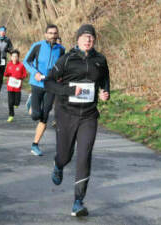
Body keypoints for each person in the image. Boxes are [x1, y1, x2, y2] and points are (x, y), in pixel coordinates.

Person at [45, 24, 110, 217]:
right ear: (78, 39)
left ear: (94, 40)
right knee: (65, 155)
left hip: (89, 115)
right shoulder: (66, 59)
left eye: (91, 37)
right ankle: (58, 164)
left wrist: (106, 93)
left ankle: (78, 201)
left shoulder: (100, 60)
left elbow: (105, 79)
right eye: (84, 37)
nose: (88, 40)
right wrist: (68, 91)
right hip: (66, 113)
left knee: (84, 156)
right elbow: (48, 82)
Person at [23, 24, 65, 156]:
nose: (53, 35)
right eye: (50, 33)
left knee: (45, 115)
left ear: (57, 35)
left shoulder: (62, 50)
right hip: (37, 83)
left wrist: (61, 79)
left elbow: (63, 67)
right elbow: (26, 61)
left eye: (55, 33)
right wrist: (34, 72)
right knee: (36, 115)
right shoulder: (38, 46)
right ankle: (31, 103)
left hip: (51, 85)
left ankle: (35, 145)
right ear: (46, 34)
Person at [4, 50, 27, 122]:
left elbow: (25, 74)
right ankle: (11, 115)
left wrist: (20, 77)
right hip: (10, 86)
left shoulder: (21, 65)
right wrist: (7, 74)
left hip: (17, 87)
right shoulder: (9, 65)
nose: (14, 58)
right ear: (11, 57)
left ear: (18, 57)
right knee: (10, 102)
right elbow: (6, 73)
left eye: (16, 56)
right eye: (13, 56)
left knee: (17, 101)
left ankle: (17, 103)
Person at [0, 26, 13, 100]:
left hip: (3, 60)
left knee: (0, 77)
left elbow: (11, 49)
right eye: (1, 31)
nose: (3, 32)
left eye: (4, 31)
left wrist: (11, 52)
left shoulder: (7, 40)